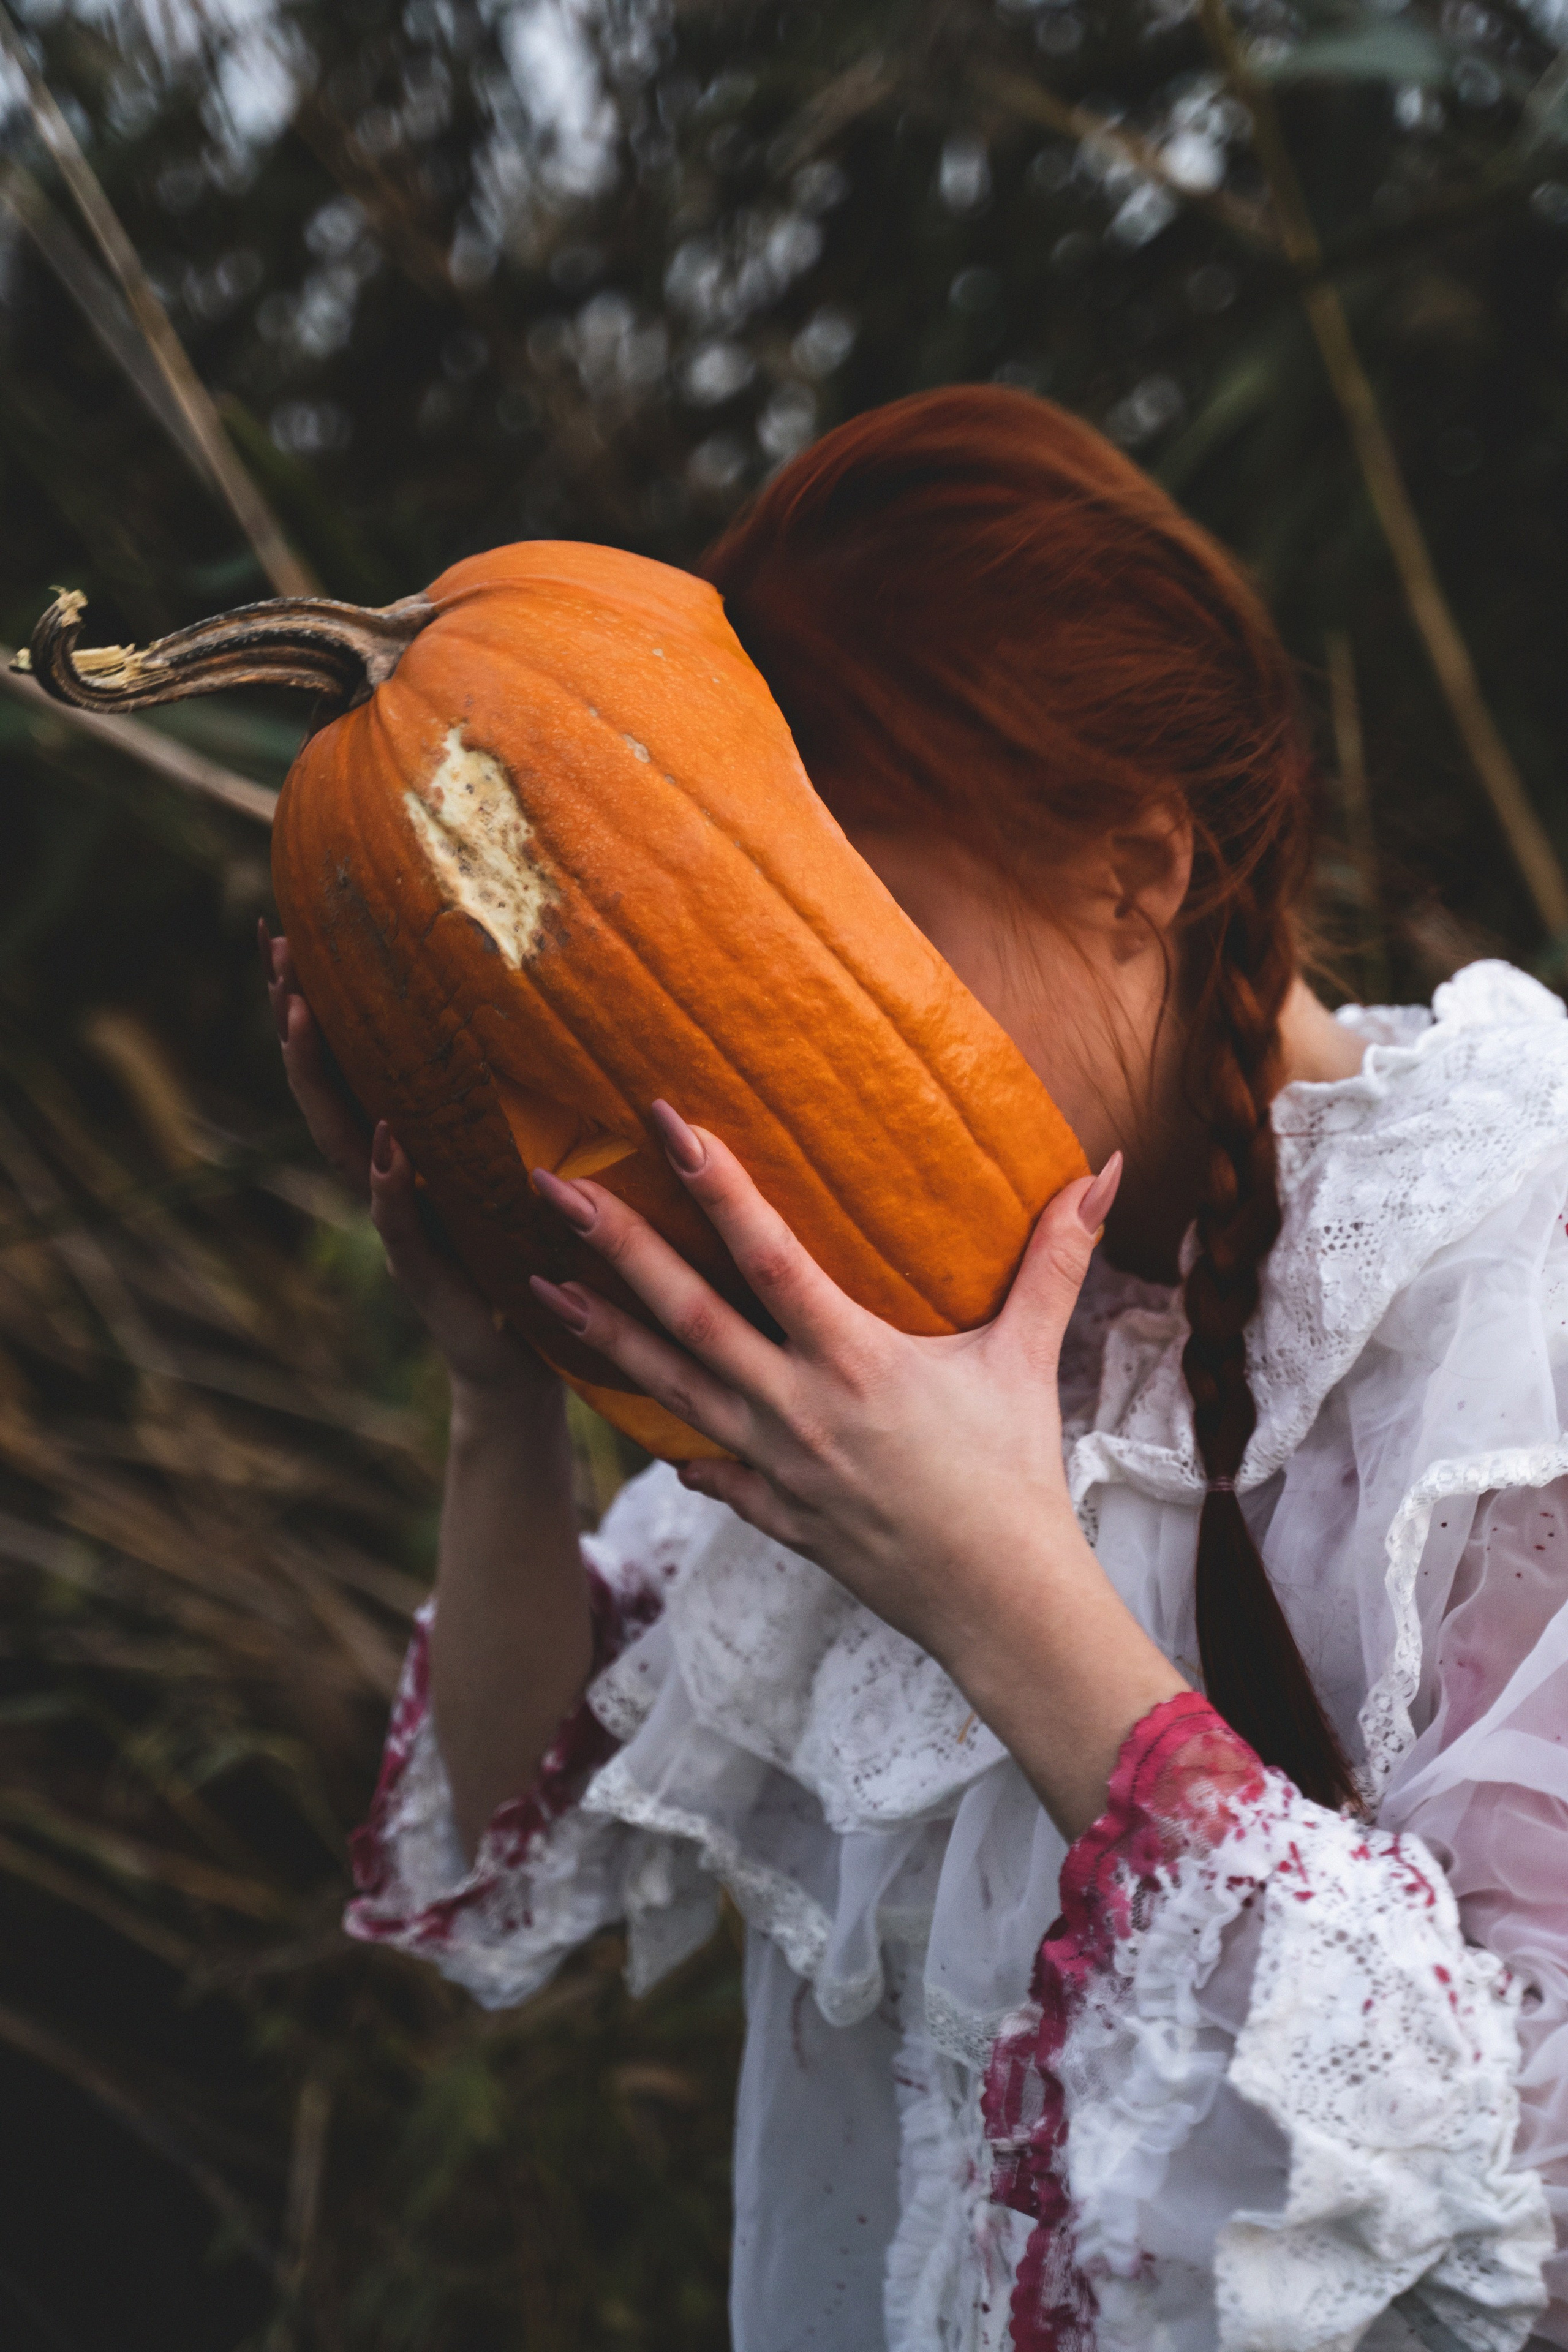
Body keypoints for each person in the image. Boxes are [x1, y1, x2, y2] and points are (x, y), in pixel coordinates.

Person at [263, 387, 1568, 2352]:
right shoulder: (911, 1307)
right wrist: (499, 1385)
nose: (764, 1050)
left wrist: (993, 1583)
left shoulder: (1506, 1304)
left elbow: (1511, 2233)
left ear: (1136, 871)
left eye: (841, 957)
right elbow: (526, 1834)